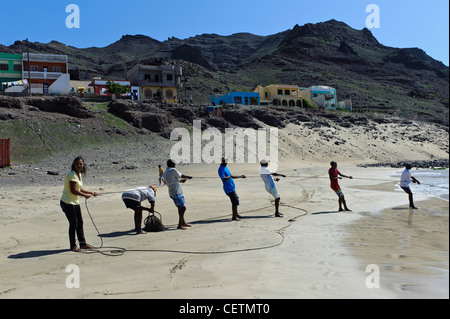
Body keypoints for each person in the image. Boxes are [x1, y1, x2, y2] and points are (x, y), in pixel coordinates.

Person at [60, 156, 98, 252]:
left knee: (79, 222)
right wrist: (85, 196)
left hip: (74, 202)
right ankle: (73, 246)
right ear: (74, 165)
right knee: (73, 223)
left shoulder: (78, 174)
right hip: (67, 202)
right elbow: (73, 190)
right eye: (77, 164)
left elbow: (79, 188)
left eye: (81, 164)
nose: (79, 165)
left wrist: (90, 192)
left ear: (83, 165)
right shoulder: (72, 174)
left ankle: (83, 244)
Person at [163, 159, 193, 230]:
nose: (175, 165)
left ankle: (183, 222)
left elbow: (170, 181)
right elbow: (181, 175)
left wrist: (179, 181)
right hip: (177, 192)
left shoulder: (165, 172)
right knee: (183, 208)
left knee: (180, 207)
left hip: (172, 192)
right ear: (172, 164)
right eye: (174, 164)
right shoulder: (173, 170)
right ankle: (180, 225)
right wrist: (188, 177)